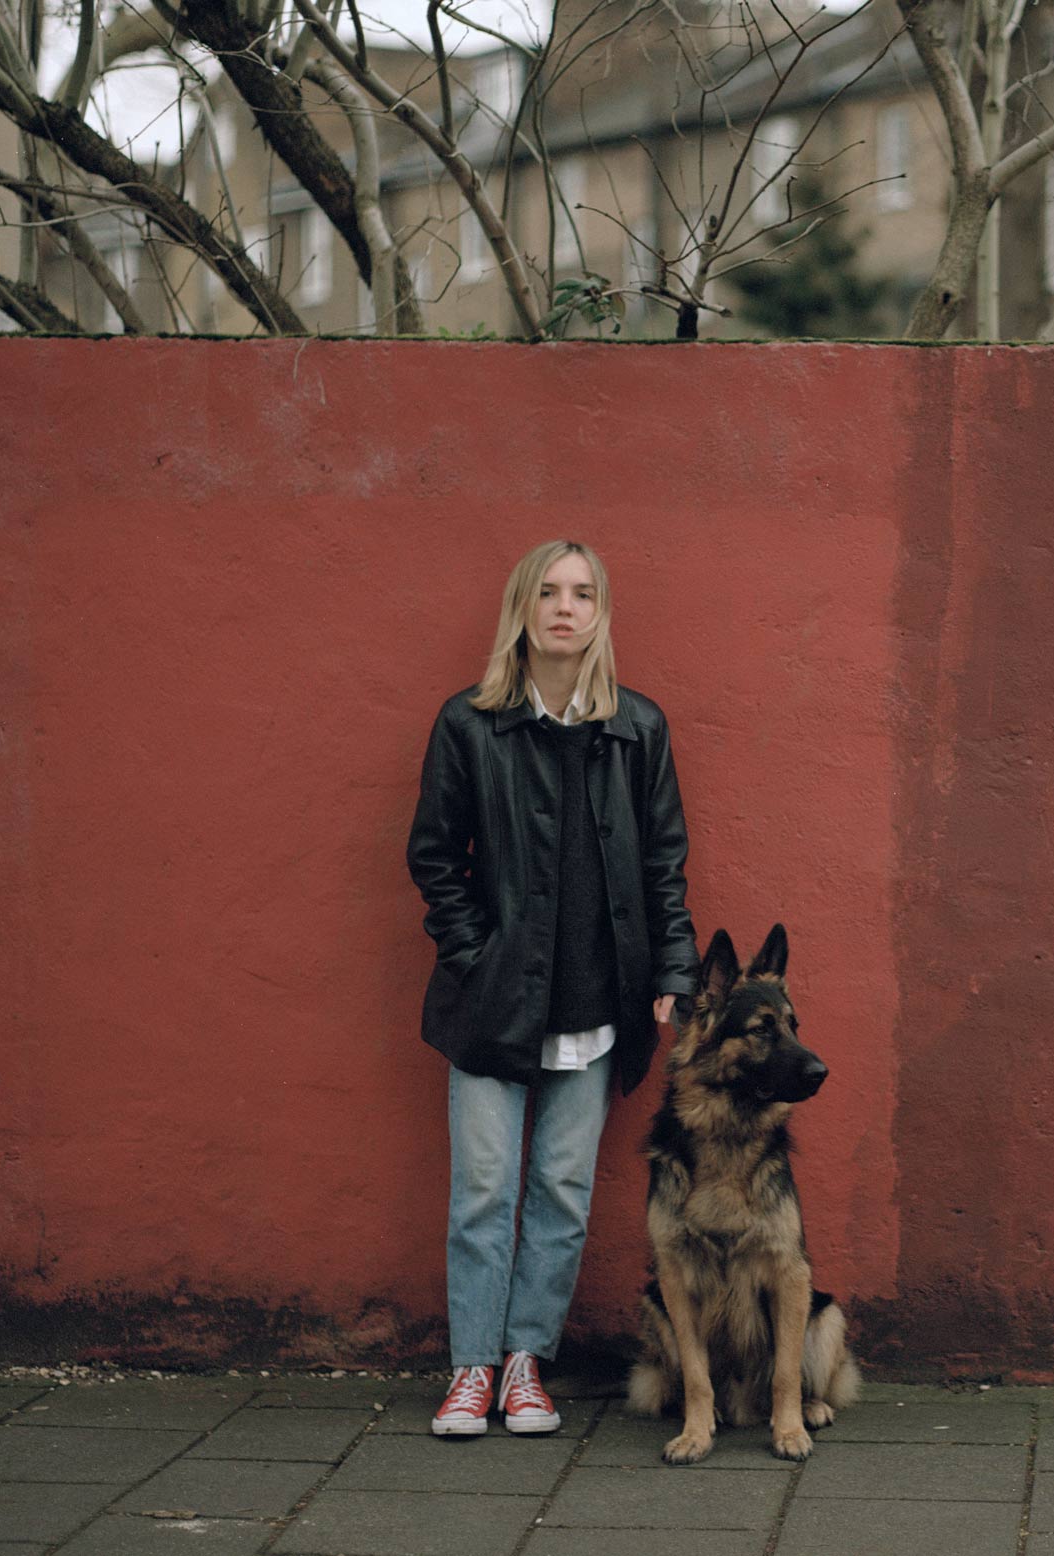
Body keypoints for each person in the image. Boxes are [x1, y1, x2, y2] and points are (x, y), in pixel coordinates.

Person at [405, 540, 699, 1437]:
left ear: (601, 613)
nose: (565, 608)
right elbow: (433, 857)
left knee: (563, 1190)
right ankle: (471, 1369)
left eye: (583, 593)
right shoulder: (470, 723)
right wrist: (474, 955)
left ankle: (527, 1363)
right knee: (485, 1189)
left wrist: (673, 971)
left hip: (599, 1002)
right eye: (548, 592)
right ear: (522, 610)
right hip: (495, 1004)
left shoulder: (637, 728)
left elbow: (664, 866)